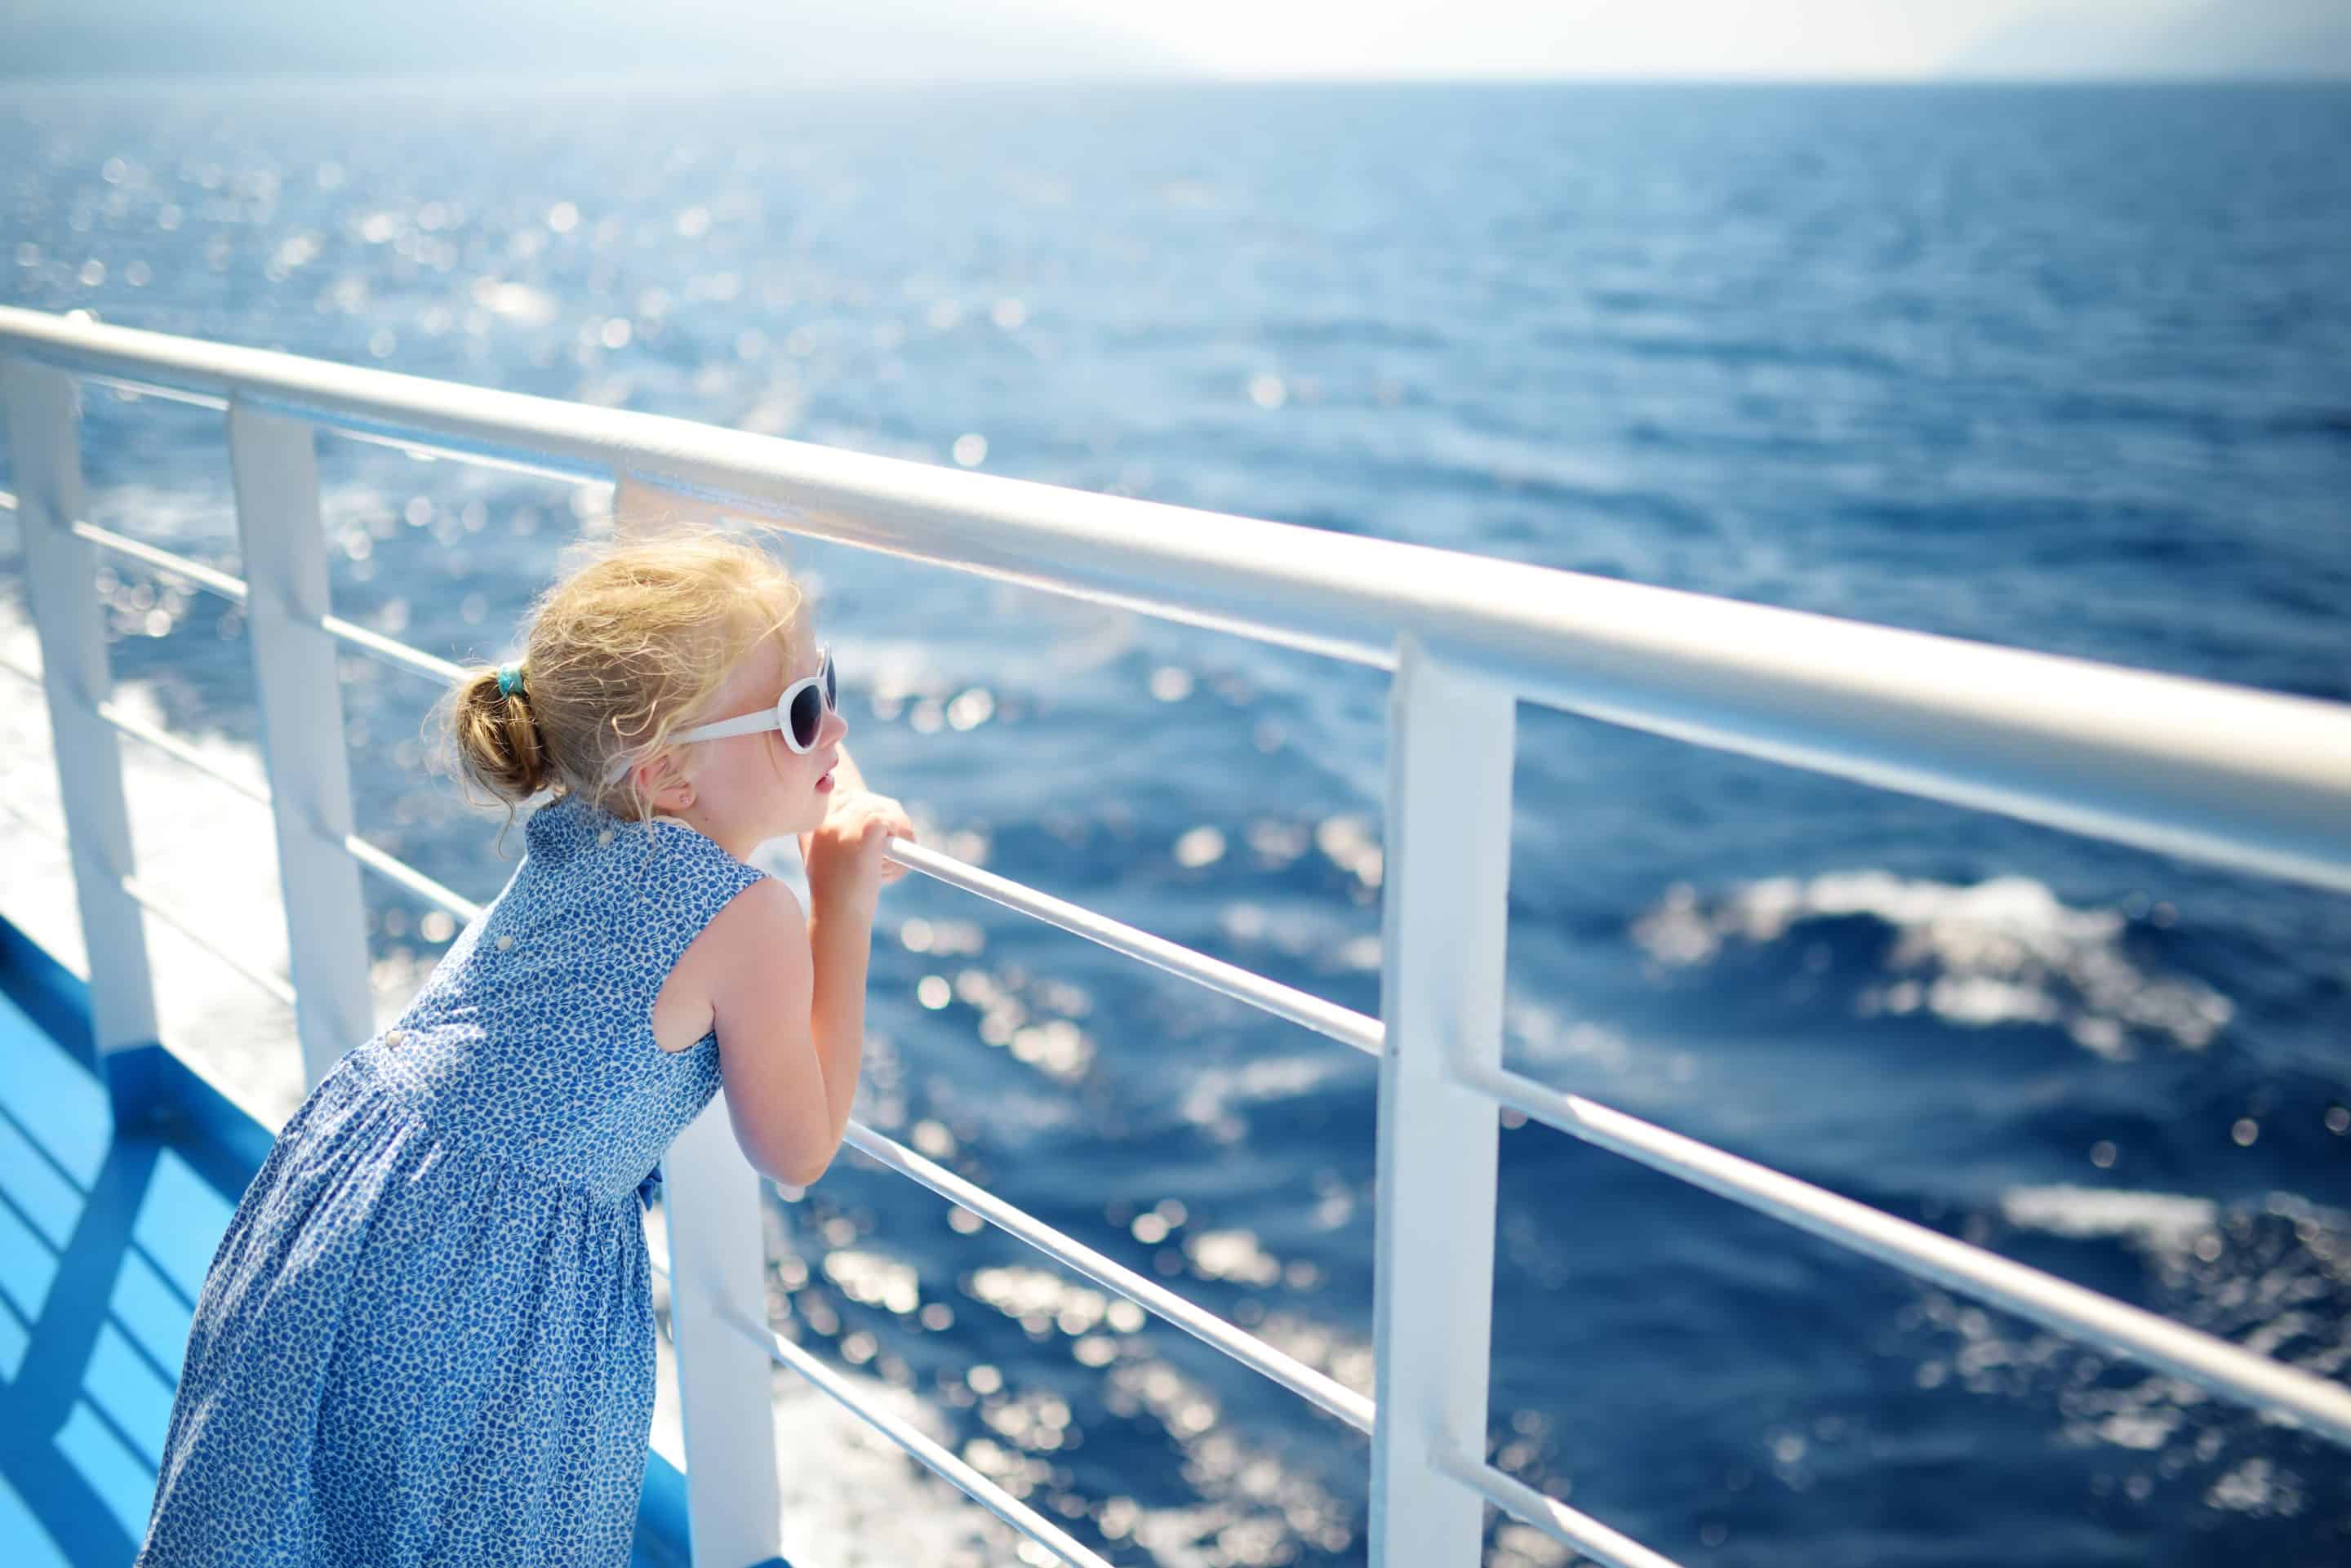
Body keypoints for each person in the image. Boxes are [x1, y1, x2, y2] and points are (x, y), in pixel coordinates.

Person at [131, 525, 916, 1566]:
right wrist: (841, 901)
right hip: (488, 1277)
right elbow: (799, 1148)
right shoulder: (751, 918)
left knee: (300, 1515)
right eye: (805, 711)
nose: (838, 725)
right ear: (668, 771)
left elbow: (747, 761)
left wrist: (809, 753)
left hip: (356, 1191)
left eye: (830, 682)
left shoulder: (588, 817)